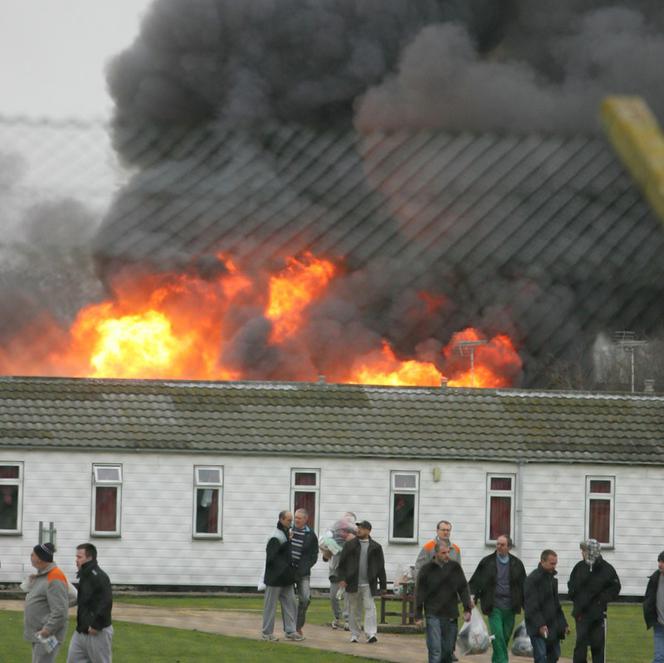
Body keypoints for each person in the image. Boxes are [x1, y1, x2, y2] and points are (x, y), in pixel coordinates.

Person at [469, 534, 526, 663]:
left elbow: (524, 586)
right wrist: (472, 597)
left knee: (504, 638)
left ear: (509, 547)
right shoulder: (486, 562)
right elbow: (475, 582)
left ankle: (497, 661)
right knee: (497, 636)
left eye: (502, 545)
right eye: (497, 544)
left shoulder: (517, 564)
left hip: (511, 607)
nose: (499, 547)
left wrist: (527, 606)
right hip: (493, 606)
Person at [415, 540, 473, 663]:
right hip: (433, 614)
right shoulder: (426, 569)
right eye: (443, 553)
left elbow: (463, 587)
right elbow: (420, 593)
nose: (447, 555)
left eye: (448, 552)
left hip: (451, 614)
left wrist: (467, 608)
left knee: (447, 652)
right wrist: (418, 615)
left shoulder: (455, 567)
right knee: (435, 650)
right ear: (435, 553)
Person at [567, 538, 621, 663]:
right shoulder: (579, 567)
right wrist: (575, 597)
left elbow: (615, 587)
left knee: (598, 648)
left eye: (584, 550)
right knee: (580, 648)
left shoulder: (607, 569)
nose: (582, 553)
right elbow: (571, 585)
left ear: (592, 551)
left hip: (598, 615)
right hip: (581, 615)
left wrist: (601, 600)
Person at [336, 519, 387, 644]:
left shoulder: (376, 547)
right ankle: (354, 634)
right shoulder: (350, 545)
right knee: (354, 610)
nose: (359, 530)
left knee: (370, 608)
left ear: (368, 531)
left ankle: (370, 634)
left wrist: (383, 585)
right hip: (352, 582)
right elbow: (341, 564)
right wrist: (341, 579)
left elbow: (381, 567)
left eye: (362, 528)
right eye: (358, 527)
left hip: (369, 583)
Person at [23, 542, 70, 663]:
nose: (30, 556)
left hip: (47, 635)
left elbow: (60, 611)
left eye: (32, 554)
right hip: (39, 634)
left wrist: (47, 630)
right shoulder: (44, 575)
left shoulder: (55, 577)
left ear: (40, 558)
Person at [66, 543, 113, 663]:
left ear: (89, 557)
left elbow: (106, 602)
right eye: (76, 557)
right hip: (81, 630)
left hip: (97, 631)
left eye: (79, 557)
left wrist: (96, 625)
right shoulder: (84, 576)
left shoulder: (99, 577)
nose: (76, 560)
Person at [261, 510, 302, 641]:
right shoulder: (276, 536)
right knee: (270, 607)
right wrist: (287, 544)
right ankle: (267, 633)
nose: (291, 523)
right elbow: (271, 558)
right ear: (281, 520)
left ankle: (291, 631)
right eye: (289, 520)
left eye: (292, 520)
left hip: (286, 578)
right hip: (274, 578)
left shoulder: (285, 534)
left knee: (291, 604)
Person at [524, 549, 569, 663]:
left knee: (554, 656)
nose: (554, 566)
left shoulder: (552, 580)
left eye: (555, 563)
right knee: (541, 657)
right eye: (552, 563)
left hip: (553, 626)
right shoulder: (532, 580)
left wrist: (564, 623)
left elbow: (556, 605)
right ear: (542, 561)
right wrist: (540, 625)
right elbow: (531, 605)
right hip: (537, 626)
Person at [320, 513, 356, 629]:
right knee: (333, 596)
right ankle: (337, 618)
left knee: (347, 596)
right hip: (335, 570)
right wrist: (327, 549)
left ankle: (347, 620)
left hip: (348, 571)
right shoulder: (334, 535)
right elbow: (325, 558)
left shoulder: (355, 536)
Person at [291, 508, 319, 636]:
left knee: (305, 599)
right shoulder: (289, 531)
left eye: (299, 518)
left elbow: (314, 555)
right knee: (288, 600)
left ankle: (298, 625)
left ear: (305, 520)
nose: (296, 520)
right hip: (289, 571)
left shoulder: (311, 535)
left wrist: (306, 566)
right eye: (295, 517)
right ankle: (290, 627)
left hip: (303, 573)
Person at [643, 550, 664, 663]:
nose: (660, 564)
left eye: (663, 561)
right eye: (659, 561)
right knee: (659, 658)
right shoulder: (655, 578)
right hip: (659, 625)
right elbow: (648, 600)